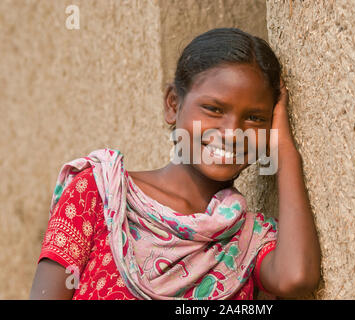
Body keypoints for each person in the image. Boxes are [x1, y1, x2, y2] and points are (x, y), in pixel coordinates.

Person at [29, 27, 321, 300]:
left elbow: (295, 278)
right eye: (214, 109)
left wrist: (284, 153)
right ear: (172, 104)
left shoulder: (249, 239)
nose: (232, 133)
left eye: (254, 118)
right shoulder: (101, 192)